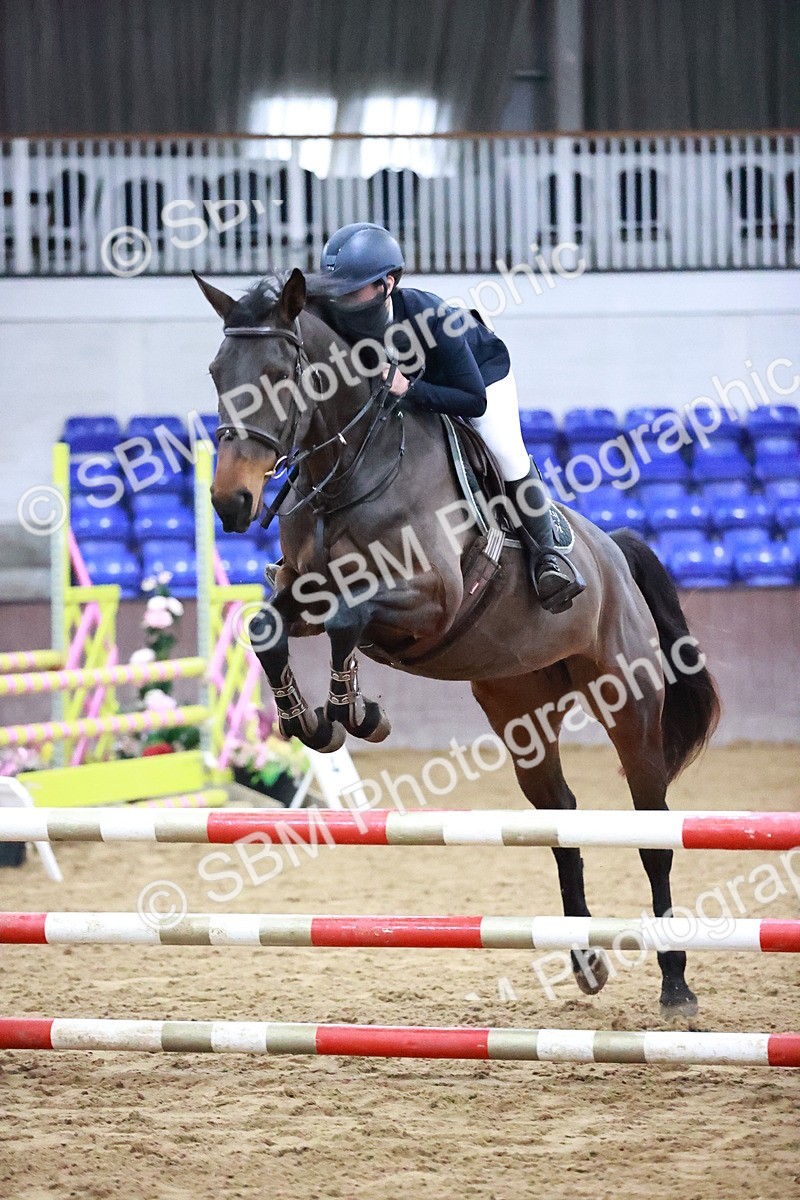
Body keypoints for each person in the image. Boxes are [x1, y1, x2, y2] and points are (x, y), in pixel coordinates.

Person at [311, 222, 585, 614]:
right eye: (337, 292)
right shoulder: (341, 315)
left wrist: (410, 391)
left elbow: (472, 400)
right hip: (411, 388)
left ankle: (549, 557)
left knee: (505, 451)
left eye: (352, 292)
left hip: (478, 377)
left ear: (387, 284)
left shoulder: (433, 318)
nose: (342, 302)